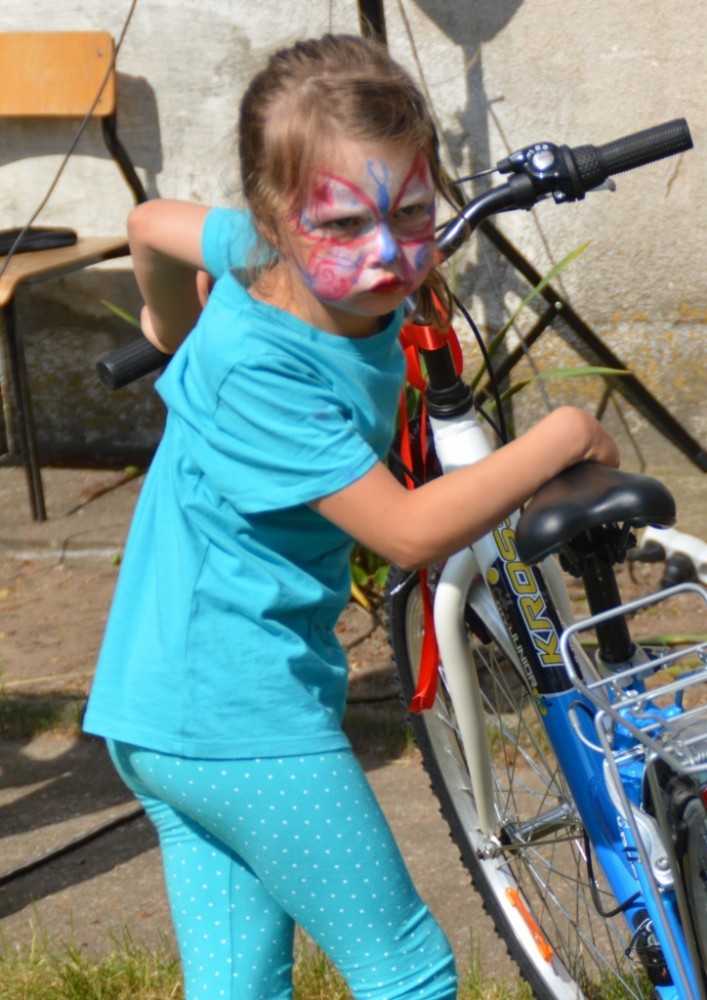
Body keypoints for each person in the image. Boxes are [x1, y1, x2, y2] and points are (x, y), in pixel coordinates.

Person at [83, 33, 619, 1000]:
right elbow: (406, 532)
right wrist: (563, 433)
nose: (387, 254)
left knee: (238, 984)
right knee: (407, 972)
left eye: (413, 212)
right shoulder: (266, 370)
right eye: (343, 225)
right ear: (276, 217)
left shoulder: (254, 249)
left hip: (161, 709)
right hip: (240, 716)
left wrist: (168, 326)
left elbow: (150, 222)